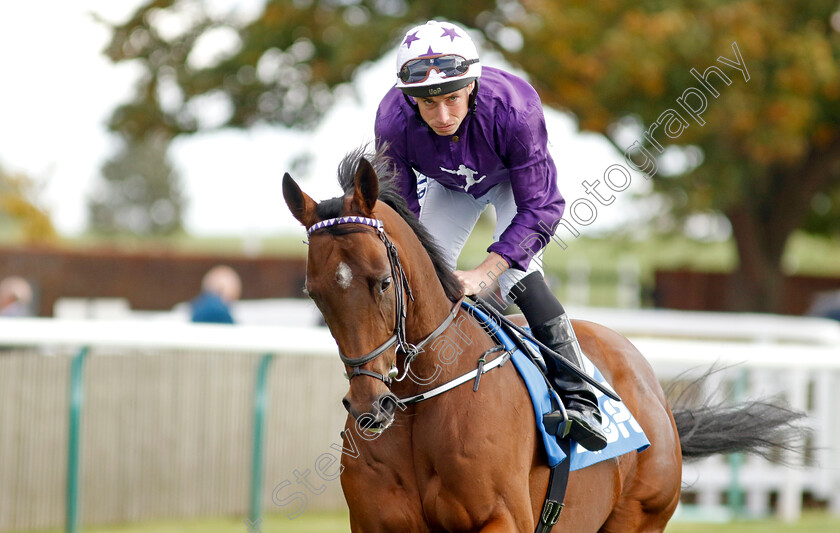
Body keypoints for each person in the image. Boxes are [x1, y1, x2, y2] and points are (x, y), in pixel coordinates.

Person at [375, 20, 607, 451]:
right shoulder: (392, 119)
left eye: (452, 99)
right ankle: (396, 385)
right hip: (447, 185)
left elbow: (543, 208)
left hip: (511, 183)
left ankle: (581, 400)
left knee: (512, 278)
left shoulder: (516, 108)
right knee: (414, 275)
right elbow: (398, 209)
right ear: (409, 100)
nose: (442, 116)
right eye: (428, 105)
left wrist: (486, 270)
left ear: (472, 86)